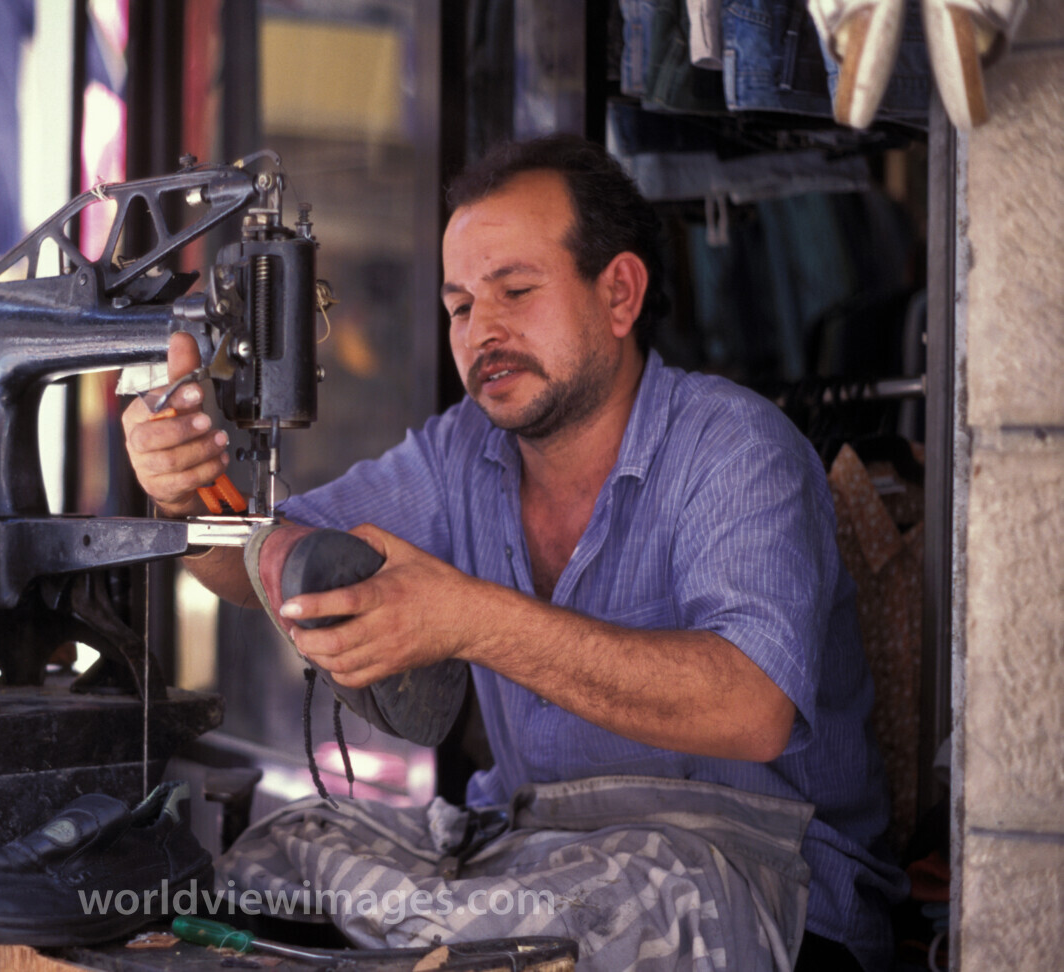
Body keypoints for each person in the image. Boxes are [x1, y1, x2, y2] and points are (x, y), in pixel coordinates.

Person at [123, 134, 904, 971]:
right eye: (460, 306)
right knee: (270, 863)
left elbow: (750, 710)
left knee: (523, 935)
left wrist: (469, 619)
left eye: (516, 291)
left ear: (620, 294)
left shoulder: (736, 448)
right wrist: (188, 494)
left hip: (753, 882)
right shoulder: (464, 451)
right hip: (534, 856)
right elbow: (246, 563)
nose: (481, 330)